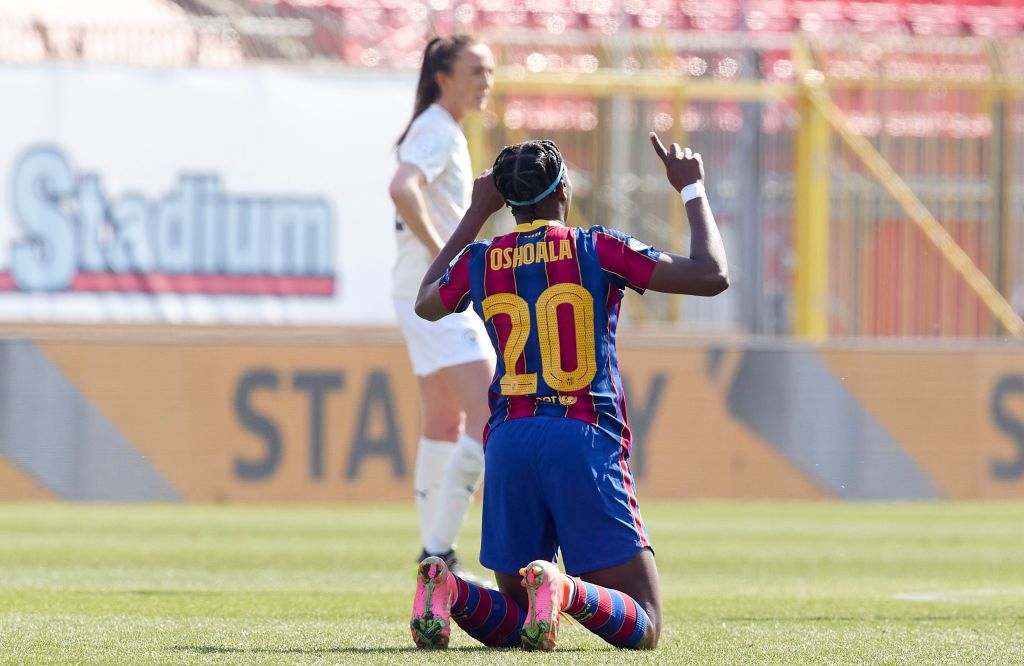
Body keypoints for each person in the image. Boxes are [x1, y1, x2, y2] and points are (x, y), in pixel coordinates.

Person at [407, 133, 729, 651]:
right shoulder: (596, 247)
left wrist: (474, 213)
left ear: (506, 202)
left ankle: (453, 591)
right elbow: (712, 275)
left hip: (509, 442)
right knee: (644, 624)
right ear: (562, 192)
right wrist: (691, 190)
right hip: (581, 436)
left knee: (517, 619)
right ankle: (563, 588)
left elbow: (425, 302)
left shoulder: (481, 260)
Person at [387, 35, 497, 584]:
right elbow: (402, 188)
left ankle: (434, 552)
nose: (486, 82)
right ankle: (440, 552)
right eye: (476, 70)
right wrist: (446, 256)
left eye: (490, 72)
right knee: (489, 413)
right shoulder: (436, 128)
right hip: (433, 293)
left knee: (443, 420)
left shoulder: (437, 127)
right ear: (442, 77)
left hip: (413, 289)